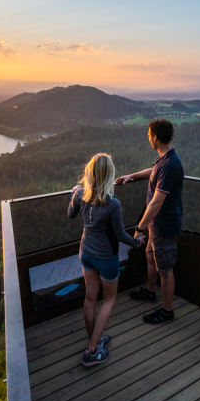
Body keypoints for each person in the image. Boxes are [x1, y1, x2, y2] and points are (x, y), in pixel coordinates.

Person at [68, 153, 145, 366]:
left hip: (86, 253)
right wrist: (137, 243)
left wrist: (74, 193)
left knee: (90, 299)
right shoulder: (113, 204)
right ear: (109, 176)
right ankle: (92, 352)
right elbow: (120, 235)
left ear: (90, 174)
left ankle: (94, 339)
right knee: (109, 300)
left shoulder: (80, 194)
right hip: (106, 257)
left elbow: (70, 214)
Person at [116, 119, 184, 324]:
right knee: (151, 258)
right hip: (156, 225)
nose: (148, 139)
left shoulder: (171, 164)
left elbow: (156, 203)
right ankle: (149, 292)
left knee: (165, 269)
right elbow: (153, 172)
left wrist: (139, 228)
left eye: (148, 136)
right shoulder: (165, 159)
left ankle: (167, 311)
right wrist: (133, 176)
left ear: (155, 137)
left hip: (163, 225)